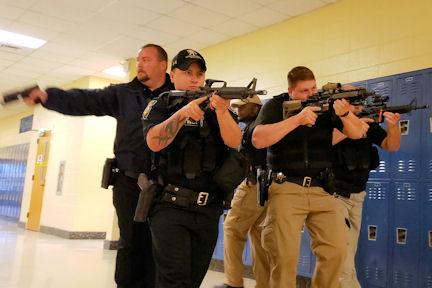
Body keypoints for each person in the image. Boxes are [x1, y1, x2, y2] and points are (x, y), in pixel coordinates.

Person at [23, 44, 173, 288]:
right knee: (131, 241)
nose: (140, 64)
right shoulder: (124, 94)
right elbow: (85, 100)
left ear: (163, 65)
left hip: (167, 183)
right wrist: (49, 97)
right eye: (138, 60)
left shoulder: (176, 95)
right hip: (129, 182)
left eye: (146, 59)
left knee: (161, 243)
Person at [250, 66, 366, 288]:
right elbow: (258, 139)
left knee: (337, 250)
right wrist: (297, 120)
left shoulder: (327, 105)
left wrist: (343, 113)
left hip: (322, 189)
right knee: (284, 258)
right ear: (290, 91)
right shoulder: (276, 106)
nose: (311, 94)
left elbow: (357, 133)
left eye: (313, 87)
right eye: (304, 91)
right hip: (286, 187)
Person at [142, 48, 242, 288]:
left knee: (193, 280)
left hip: (208, 210)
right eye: (188, 72)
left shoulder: (218, 107)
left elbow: (235, 141)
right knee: (174, 281)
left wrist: (221, 111)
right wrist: (182, 114)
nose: (195, 78)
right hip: (169, 207)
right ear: (173, 75)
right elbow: (154, 142)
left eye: (200, 73)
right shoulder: (161, 104)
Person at [332, 105, 401, 288]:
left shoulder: (367, 122)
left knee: (349, 250)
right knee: (342, 252)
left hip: (357, 195)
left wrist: (393, 125)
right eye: (355, 99)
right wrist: (353, 127)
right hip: (334, 196)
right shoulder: (331, 119)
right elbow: (323, 143)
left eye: (361, 99)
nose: (360, 104)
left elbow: (391, 145)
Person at [220, 95, 269, 288]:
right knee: (258, 236)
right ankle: (264, 284)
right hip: (267, 186)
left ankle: (234, 283)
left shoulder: (254, 129)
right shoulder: (261, 126)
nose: (238, 110)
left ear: (257, 109)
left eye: (243, 107)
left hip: (253, 185)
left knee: (232, 229)